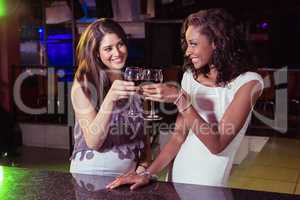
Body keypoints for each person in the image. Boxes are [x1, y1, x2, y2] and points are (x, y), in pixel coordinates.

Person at [106, 8, 264, 189]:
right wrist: (147, 173)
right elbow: (178, 137)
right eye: (187, 44)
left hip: (207, 184)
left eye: (193, 44)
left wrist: (180, 99)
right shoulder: (190, 76)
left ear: (216, 42)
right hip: (176, 176)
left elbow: (217, 144)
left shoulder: (249, 83)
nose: (187, 51)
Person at [70, 18, 151, 176]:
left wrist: (142, 167)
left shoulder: (133, 82)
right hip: (92, 176)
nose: (117, 53)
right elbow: (94, 141)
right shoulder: (84, 83)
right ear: (97, 53)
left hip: (128, 179)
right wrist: (110, 99)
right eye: (108, 48)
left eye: (120, 44)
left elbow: (144, 139)